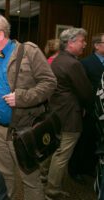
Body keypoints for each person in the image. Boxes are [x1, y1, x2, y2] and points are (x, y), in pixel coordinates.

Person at [0, 14, 57, 200]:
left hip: (23, 131)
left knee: (30, 179)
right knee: (4, 177)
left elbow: (49, 82)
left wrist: (22, 98)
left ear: (0, 35)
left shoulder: (28, 51)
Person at [45, 28, 93, 200]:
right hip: (70, 116)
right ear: (71, 42)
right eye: (82, 40)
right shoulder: (73, 63)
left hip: (56, 113)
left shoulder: (57, 60)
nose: (85, 44)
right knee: (61, 155)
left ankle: (45, 181)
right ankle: (52, 191)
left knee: (53, 151)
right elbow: (86, 92)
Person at [68, 33, 104, 183]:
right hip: (88, 109)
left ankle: (89, 168)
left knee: (96, 140)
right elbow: (79, 88)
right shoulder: (85, 63)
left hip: (102, 111)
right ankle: (75, 170)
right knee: (82, 141)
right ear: (96, 45)